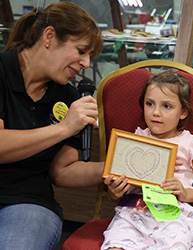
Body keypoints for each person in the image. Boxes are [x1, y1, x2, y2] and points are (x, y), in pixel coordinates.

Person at [0, 2, 105, 250]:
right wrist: (63, 128)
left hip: (29, 203)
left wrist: (114, 169)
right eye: (81, 51)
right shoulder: (2, 70)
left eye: (90, 56)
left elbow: (61, 172)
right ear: (49, 37)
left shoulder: (68, 97)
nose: (86, 64)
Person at [101, 71, 193, 250]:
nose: (156, 113)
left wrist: (186, 194)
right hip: (134, 212)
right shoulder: (134, 140)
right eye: (149, 104)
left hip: (174, 215)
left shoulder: (192, 145)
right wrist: (115, 192)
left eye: (167, 106)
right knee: (116, 245)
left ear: (183, 112)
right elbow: (116, 192)